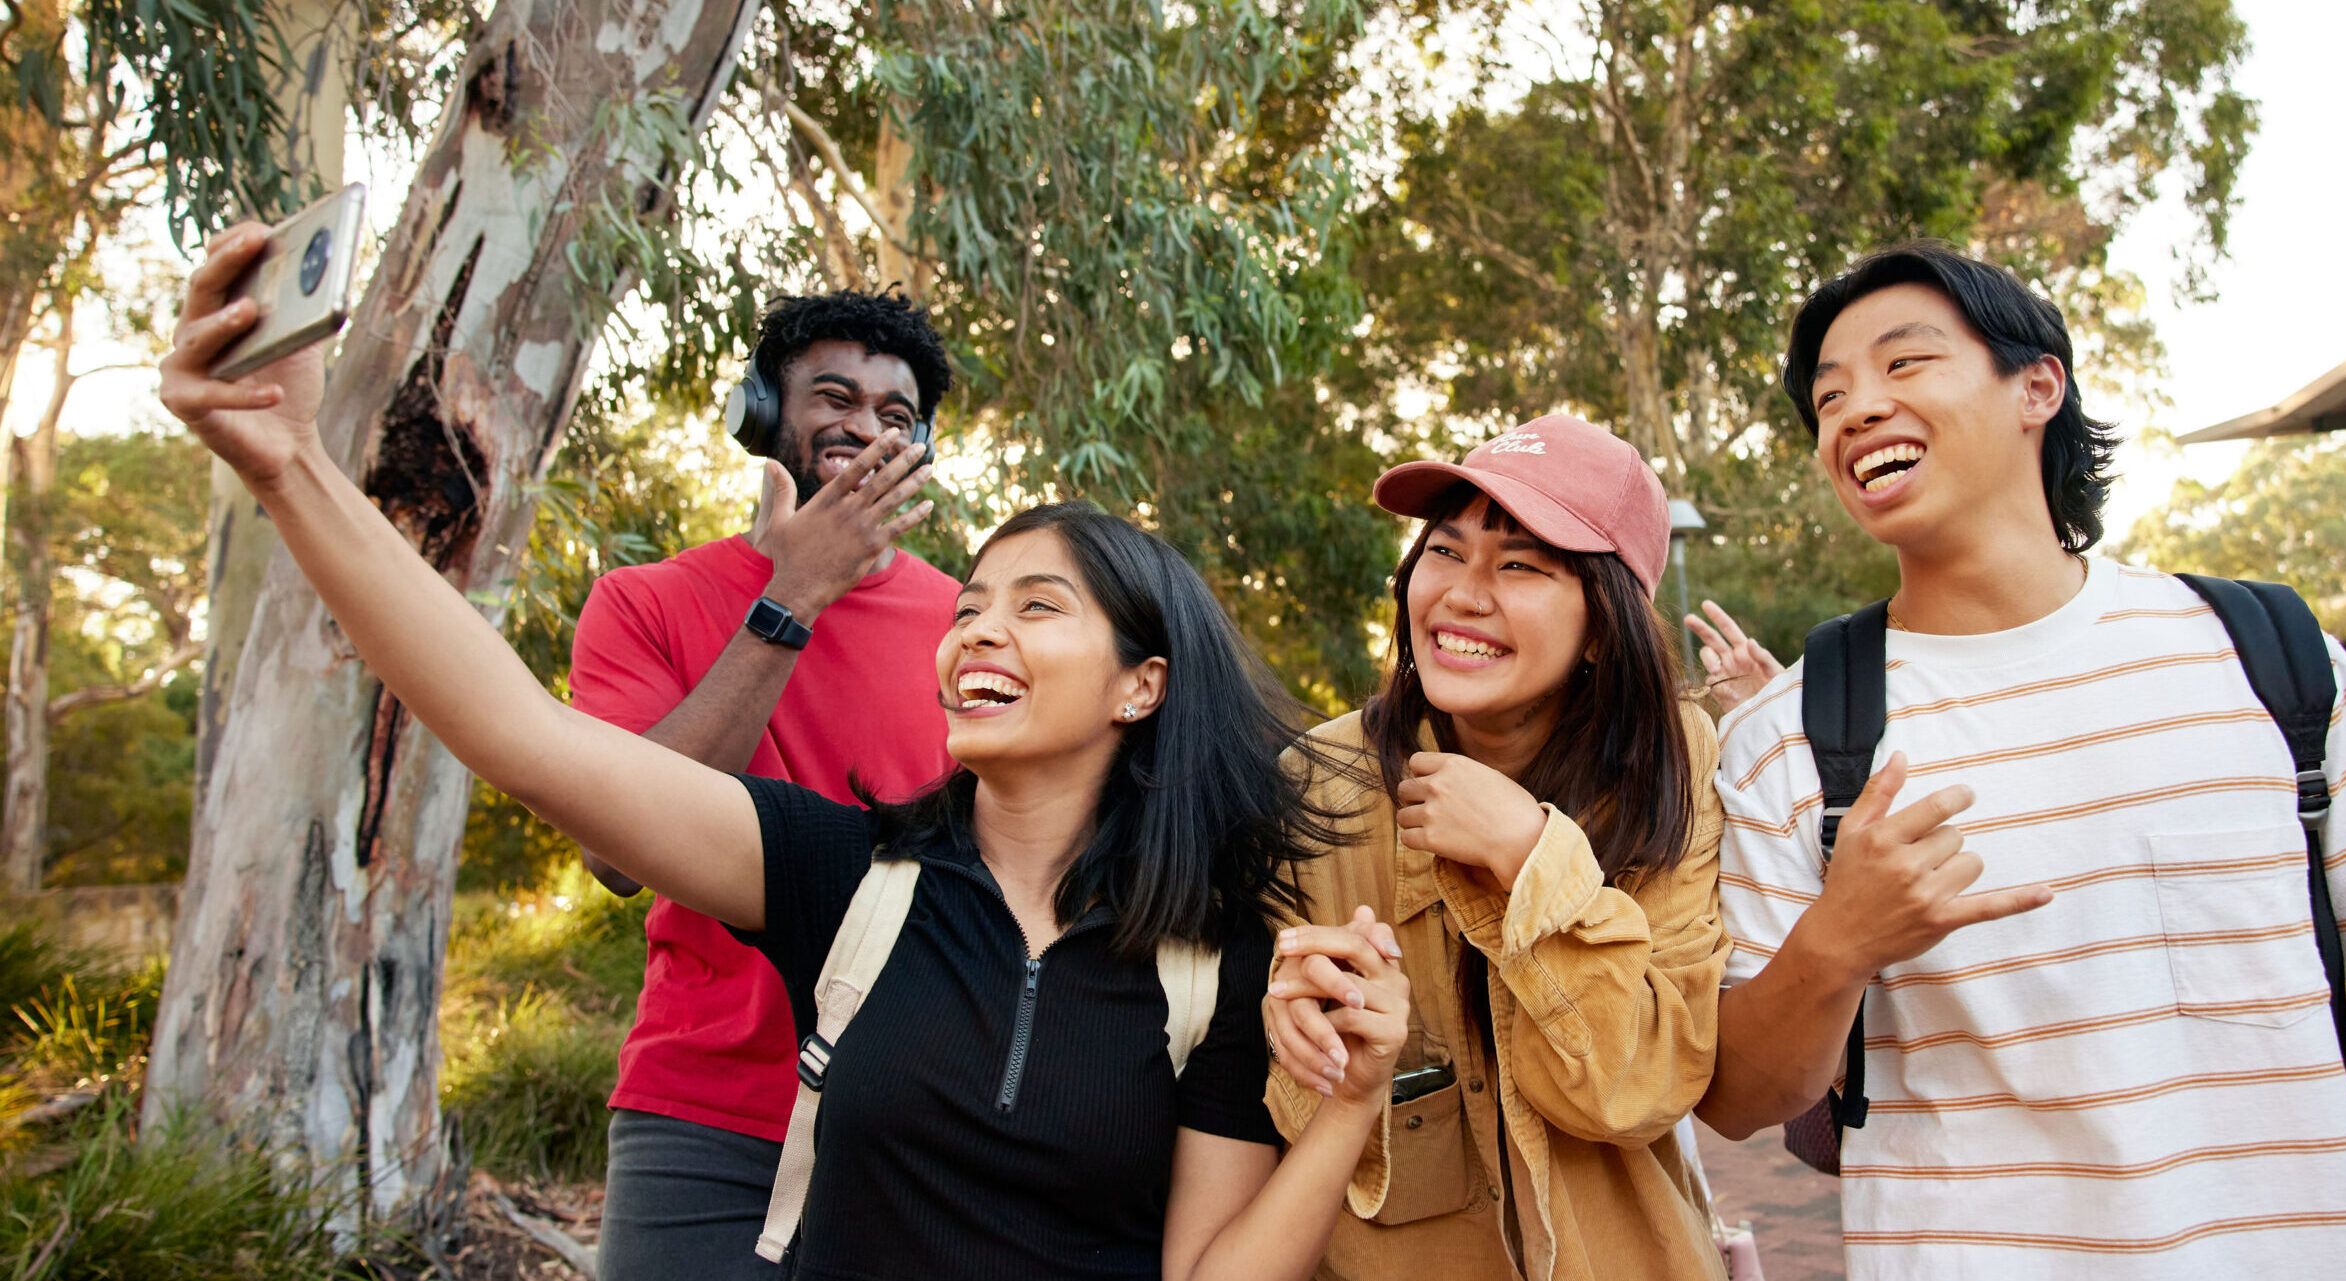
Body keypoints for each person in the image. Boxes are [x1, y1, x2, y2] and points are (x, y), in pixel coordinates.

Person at [161, 221, 1411, 1281]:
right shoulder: (846, 875)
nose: (974, 628)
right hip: (703, 1120)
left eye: (1037, 606)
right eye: (972, 603)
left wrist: (1352, 1104)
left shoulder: (1215, 960)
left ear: (1143, 687)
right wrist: (290, 469)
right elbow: (524, 737)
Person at [1694, 242, 2346, 1277]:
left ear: (2036, 387)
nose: (1856, 411)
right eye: (1828, 398)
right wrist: (1838, 942)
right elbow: (1743, 1096)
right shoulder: (1789, 735)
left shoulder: (2268, 659)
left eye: (1904, 364)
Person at [1263, 414, 1732, 1281]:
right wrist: (1299, 1031)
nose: (1463, 594)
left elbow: (1635, 1086)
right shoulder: (1318, 784)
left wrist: (1529, 856)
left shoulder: (1674, 756)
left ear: (1603, 625)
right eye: (1445, 551)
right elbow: (1284, 1112)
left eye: (1520, 564)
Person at [569, 290, 952, 1280]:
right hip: (704, 1115)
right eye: (834, 396)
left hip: (924, 1115)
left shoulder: (973, 626)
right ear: (759, 413)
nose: (864, 426)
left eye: (895, 415)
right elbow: (616, 851)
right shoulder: (644, 603)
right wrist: (795, 595)